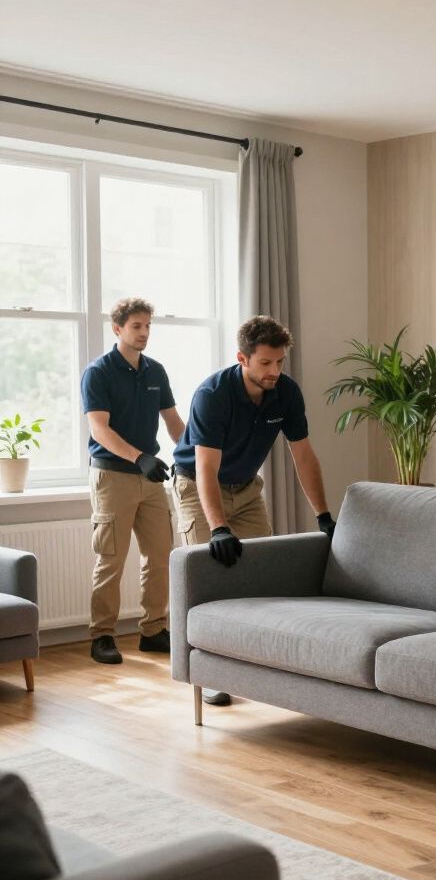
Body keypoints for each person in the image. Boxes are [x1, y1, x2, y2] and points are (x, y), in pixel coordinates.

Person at [171, 315, 337, 706]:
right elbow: (206, 469)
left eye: (279, 362)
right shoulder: (213, 395)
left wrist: (324, 516)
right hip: (197, 485)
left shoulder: (286, 392)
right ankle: (208, 675)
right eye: (265, 362)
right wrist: (218, 527)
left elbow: (303, 456)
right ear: (242, 359)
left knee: (261, 574)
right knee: (206, 578)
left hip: (246, 488)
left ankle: (253, 666)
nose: (274, 370)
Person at [81, 298, 185, 665]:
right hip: (112, 476)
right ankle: (102, 635)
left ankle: (153, 630)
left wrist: (193, 456)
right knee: (110, 559)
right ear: (117, 329)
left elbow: (174, 423)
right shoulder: (99, 372)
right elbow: (99, 428)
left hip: (151, 478)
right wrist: (138, 457)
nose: (143, 333)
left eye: (147, 326)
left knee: (159, 556)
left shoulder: (155, 371)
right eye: (136, 326)